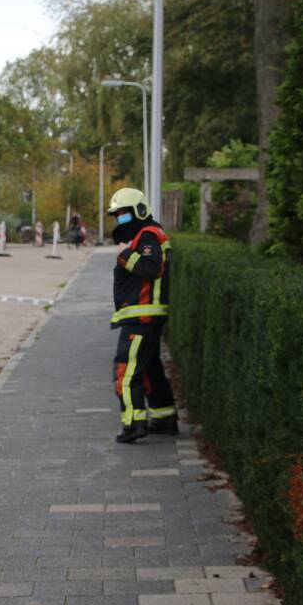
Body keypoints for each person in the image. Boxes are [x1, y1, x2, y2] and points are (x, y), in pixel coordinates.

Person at [107, 187, 178, 444]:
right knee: (149, 369)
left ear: (138, 210)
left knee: (126, 372)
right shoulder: (145, 234)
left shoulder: (148, 235)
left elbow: (151, 268)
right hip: (143, 315)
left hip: (142, 316)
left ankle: (133, 424)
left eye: (124, 213)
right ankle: (164, 417)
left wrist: (124, 254)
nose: (120, 218)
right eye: (117, 214)